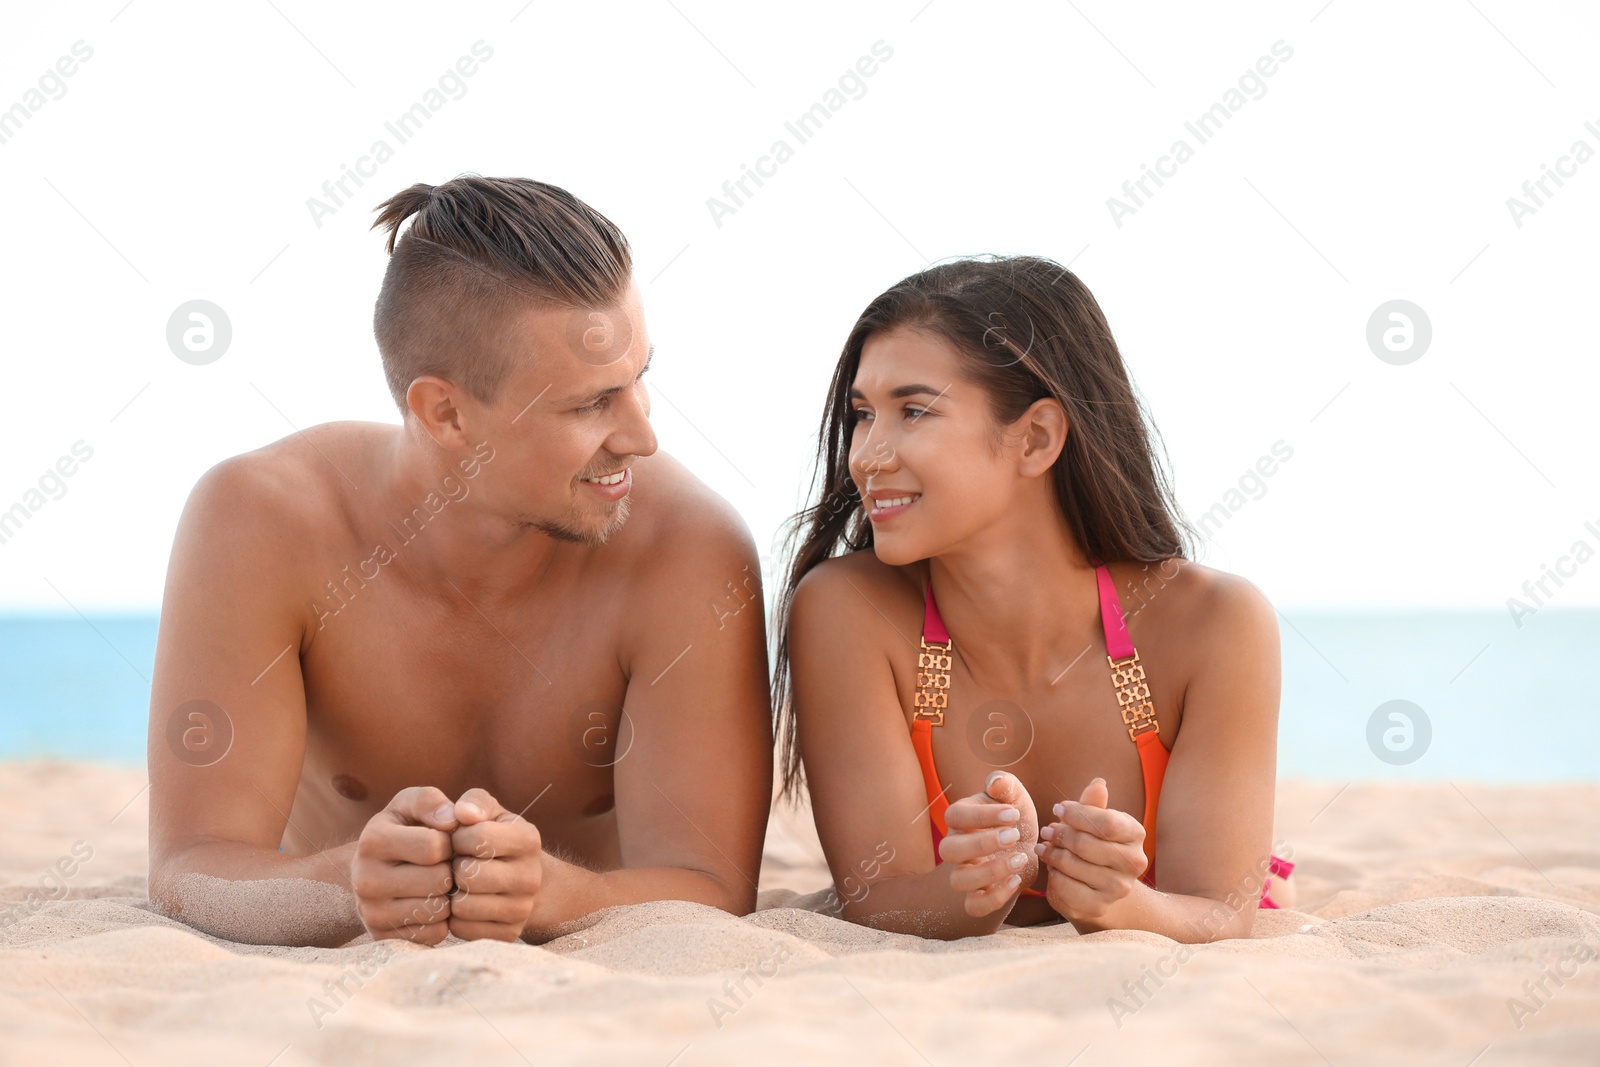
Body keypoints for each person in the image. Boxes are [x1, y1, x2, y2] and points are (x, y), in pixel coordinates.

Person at [146, 176, 771, 947]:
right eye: (589, 404)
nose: (642, 436)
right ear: (444, 412)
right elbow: (189, 869)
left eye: (639, 378)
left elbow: (713, 887)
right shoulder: (262, 521)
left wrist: (555, 894)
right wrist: (349, 882)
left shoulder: (688, 548)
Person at [774, 255, 1295, 941]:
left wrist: (1120, 905)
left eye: (914, 410)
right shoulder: (846, 610)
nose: (867, 454)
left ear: (1037, 438)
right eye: (863, 414)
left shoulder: (1215, 624)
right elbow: (881, 900)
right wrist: (973, 894)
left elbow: (1218, 912)